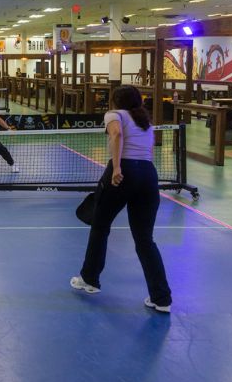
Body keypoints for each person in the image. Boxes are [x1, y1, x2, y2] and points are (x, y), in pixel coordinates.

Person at [69, 85, 172, 314]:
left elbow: (116, 134)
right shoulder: (146, 122)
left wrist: (116, 167)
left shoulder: (114, 115)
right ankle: (161, 298)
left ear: (115, 101)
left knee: (100, 226)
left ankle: (90, 280)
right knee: (145, 240)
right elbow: (148, 152)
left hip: (123, 171)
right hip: (148, 176)